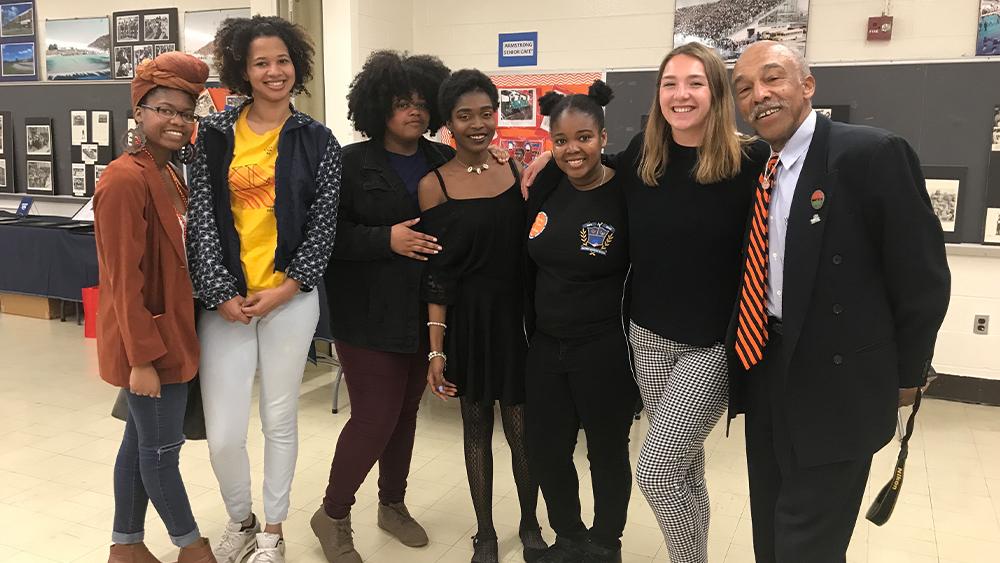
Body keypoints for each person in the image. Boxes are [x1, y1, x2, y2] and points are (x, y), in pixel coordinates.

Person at [523, 43, 768, 563]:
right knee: (685, 466)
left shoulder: (750, 159)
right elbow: (588, 160)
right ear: (658, 95)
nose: (681, 94)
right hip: (647, 335)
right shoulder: (644, 154)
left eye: (695, 82)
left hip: (712, 345)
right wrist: (550, 151)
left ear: (717, 91)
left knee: (657, 467)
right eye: (670, 83)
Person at [728, 41, 950, 562]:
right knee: (770, 519)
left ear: (806, 85)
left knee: (810, 541)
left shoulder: (870, 154)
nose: (759, 94)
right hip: (767, 365)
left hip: (838, 383)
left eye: (773, 78)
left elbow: (922, 277)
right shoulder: (760, 164)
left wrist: (908, 375)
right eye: (744, 89)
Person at [186, 16, 342, 563]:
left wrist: (287, 288)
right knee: (225, 431)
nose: (274, 71)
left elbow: (325, 224)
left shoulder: (319, 139)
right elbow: (201, 219)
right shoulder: (213, 134)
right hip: (225, 302)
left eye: (282, 60)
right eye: (261, 63)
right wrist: (221, 292)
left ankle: (273, 532)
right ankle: (241, 520)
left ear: (295, 65)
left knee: (280, 419)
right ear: (243, 71)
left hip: (289, 301)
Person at [311, 50, 451, 563]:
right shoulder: (349, 163)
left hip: (427, 312)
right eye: (400, 102)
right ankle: (332, 513)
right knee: (374, 417)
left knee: (406, 415)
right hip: (366, 312)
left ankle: (392, 504)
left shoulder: (444, 161)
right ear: (377, 107)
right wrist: (383, 240)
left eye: (421, 102)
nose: (413, 111)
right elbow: (325, 237)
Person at [417, 69, 547, 563]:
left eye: (485, 113)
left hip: (516, 319)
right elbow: (438, 275)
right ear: (448, 122)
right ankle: (485, 531)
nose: (477, 124)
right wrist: (436, 347)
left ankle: (531, 521)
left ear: (497, 115)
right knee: (475, 429)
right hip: (468, 323)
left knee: (521, 428)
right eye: (464, 115)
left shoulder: (514, 171)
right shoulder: (433, 185)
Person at [94, 52, 215, 563]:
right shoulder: (125, 179)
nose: (175, 121)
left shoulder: (169, 175)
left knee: (137, 445)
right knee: (162, 454)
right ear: (139, 112)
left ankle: (126, 545)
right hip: (150, 341)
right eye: (163, 109)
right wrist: (141, 358)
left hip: (173, 332)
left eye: (185, 113)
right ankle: (192, 547)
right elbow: (123, 280)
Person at [523, 82, 638, 563]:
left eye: (584, 137)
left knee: (606, 452)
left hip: (604, 346)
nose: (573, 150)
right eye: (562, 141)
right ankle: (568, 537)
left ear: (604, 137)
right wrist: (543, 162)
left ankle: (604, 542)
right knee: (547, 449)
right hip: (547, 347)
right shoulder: (549, 188)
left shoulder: (628, 192)